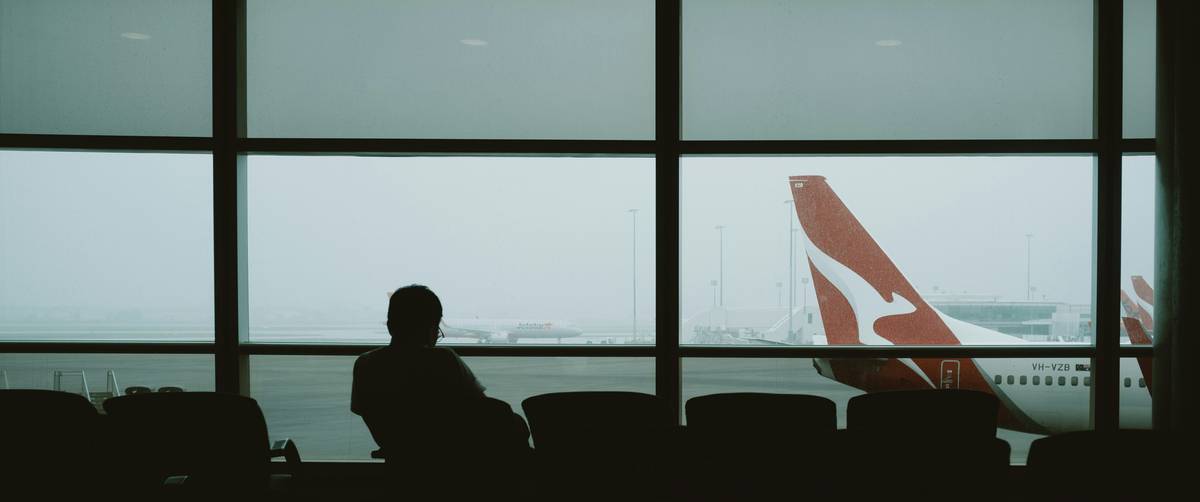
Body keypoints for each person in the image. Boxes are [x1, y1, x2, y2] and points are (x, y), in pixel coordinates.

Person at [351, 285, 529, 486]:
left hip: (400, 466)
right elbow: (484, 408)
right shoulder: (443, 359)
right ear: (431, 329)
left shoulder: (365, 364)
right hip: (450, 469)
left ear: (390, 326)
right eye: (436, 330)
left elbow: (366, 412)